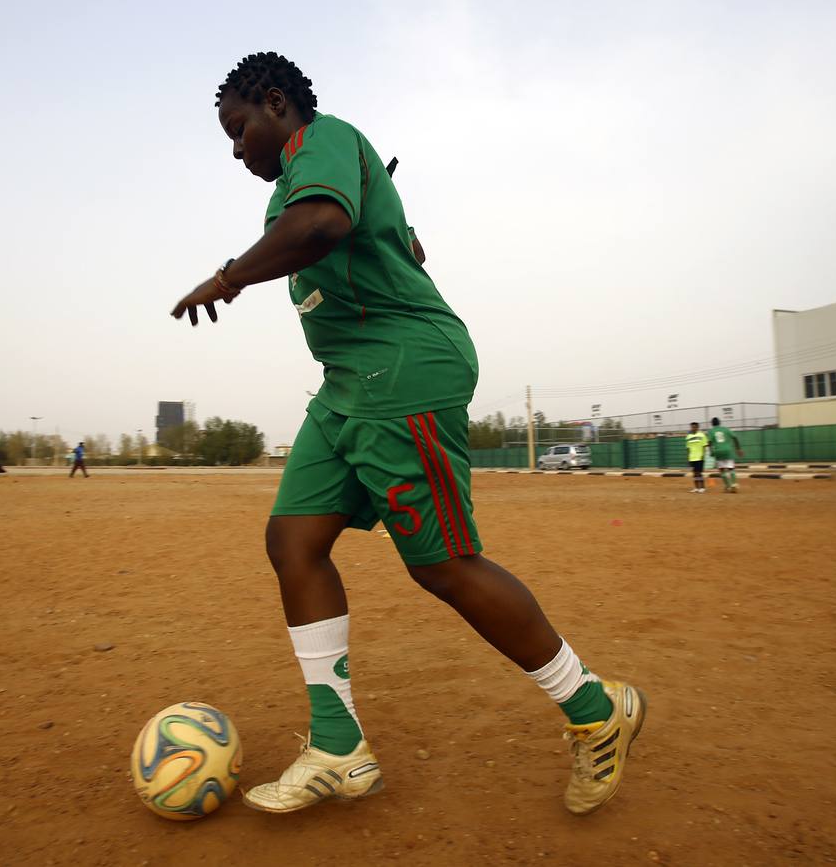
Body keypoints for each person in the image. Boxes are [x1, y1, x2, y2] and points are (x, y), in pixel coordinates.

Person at [169, 52, 646, 817]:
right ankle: (339, 749)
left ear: (275, 104)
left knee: (445, 565)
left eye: (237, 130)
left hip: (402, 370)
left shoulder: (320, 142)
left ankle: (596, 711)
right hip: (347, 384)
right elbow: (404, 250)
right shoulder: (306, 176)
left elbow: (322, 224)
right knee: (293, 543)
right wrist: (387, 209)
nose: (235, 150)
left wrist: (228, 276)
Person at [706, 417, 744, 493]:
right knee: (731, 469)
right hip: (728, 450)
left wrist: (711, 451)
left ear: (712, 424)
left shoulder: (711, 431)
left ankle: (728, 486)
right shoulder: (726, 429)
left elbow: (709, 442)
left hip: (718, 451)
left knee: (722, 470)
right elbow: (735, 437)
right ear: (720, 422)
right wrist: (738, 449)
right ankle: (734, 484)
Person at [685, 421, 708, 493]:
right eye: (692, 427)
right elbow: (688, 448)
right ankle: (696, 488)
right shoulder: (688, 436)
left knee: (699, 473)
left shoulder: (702, 435)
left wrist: (703, 455)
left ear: (698, 427)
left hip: (699, 457)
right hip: (692, 458)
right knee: (694, 473)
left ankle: (702, 487)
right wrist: (688, 457)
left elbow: (704, 446)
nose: (693, 428)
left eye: (695, 427)